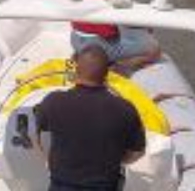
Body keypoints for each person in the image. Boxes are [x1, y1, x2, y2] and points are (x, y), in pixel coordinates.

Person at [34, 45, 146, 191]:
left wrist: (47, 161)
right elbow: (138, 152)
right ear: (106, 75)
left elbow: (33, 133)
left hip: (60, 185)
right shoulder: (125, 109)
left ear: (76, 71)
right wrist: (117, 159)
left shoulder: (53, 102)